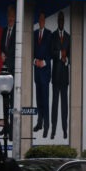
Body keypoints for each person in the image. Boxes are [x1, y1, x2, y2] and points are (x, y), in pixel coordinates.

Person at [50, 11, 70, 139]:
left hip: (64, 78)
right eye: (59, 19)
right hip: (56, 76)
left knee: (64, 105)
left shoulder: (68, 37)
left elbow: (71, 56)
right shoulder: (53, 36)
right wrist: (59, 55)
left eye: (63, 19)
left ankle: (64, 130)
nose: (61, 21)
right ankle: (53, 130)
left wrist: (66, 59)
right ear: (57, 21)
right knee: (55, 104)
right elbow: (51, 52)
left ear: (64, 21)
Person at [33, 10, 52, 138]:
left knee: (45, 100)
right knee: (39, 99)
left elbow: (50, 52)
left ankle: (46, 126)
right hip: (37, 70)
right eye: (39, 19)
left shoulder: (49, 34)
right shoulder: (34, 34)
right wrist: (35, 61)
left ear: (44, 21)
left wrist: (43, 62)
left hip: (45, 71)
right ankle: (39, 122)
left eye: (42, 19)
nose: (41, 21)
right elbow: (32, 51)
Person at [0, 5, 16, 141]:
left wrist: (8, 57)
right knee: (5, 101)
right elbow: (1, 47)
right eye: (9, 16)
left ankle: (11, 129)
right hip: (5, 71)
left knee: (13, 102)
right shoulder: (5, 31)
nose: (10, 18)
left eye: (12, 16)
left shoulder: (18, 31)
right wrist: (2, 54)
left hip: (14, 72)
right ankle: (6, 126)